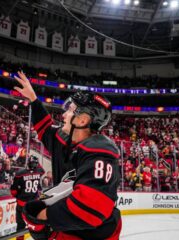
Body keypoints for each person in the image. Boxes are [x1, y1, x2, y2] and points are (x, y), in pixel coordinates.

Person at [14, 71, 122, 240]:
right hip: (67, 227)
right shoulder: (64, 142)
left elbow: (91, 209)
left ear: (82, 121)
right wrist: (34, 99)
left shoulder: (101, 153)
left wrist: (43, 216)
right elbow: (45, 128)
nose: (64, 115)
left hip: (94, 235)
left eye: (70, 110)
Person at [11, 155, 45, 234]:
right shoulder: (39, 171)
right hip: (34, 203)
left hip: (22, 203)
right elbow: (42, 170)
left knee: (20, 225)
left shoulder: (20, 173)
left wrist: (17, 196)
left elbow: (13, 191)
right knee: (35, 224)